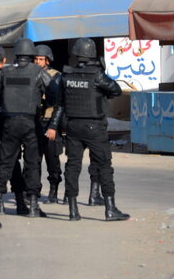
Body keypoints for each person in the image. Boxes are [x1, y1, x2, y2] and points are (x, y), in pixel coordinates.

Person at [47, 38, 130, 221]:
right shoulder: (97, 75)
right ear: (92, 54)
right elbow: (116, 90)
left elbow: (60, 104)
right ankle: (110, 209)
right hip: (94, 127)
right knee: (104, 166)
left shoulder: (66, 75)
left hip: (73, 126)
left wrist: (53, 125)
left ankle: (73, 210)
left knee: (72, 166)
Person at [0, 38, 52, 218]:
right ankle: (32, 205)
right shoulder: (38, 71)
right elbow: (54, 90)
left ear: (15, 54)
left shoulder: (5, 72)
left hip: (10, 122)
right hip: (31, 122)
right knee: (32, 163)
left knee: (5, 162)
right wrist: (44, 104)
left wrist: (4, 110)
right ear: (31, 55)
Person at [0, 45, 28, 217]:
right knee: (14, 165)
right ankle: (20, 203)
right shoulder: (12, 76)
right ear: (4, 60)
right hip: (10, 126)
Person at [34, 44, 64, 204]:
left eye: (41, 59)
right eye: (36, 59)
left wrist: (53, 126)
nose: (38, 62)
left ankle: (53, 191)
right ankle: (34, 190)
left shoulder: (56, 76)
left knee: (52, 159)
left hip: (50, 121)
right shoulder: (31, 75)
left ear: (47, 60)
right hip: (35, 122)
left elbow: (59, 104)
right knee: (34, 160)